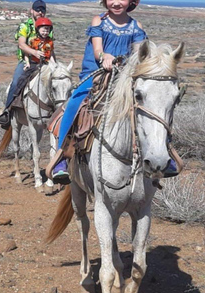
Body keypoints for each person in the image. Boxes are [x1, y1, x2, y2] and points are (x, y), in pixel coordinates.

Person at [51, 0, 146, 184]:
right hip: (95, 74)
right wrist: (105, 57)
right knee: (74, 103)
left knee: (151, 105)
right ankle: (60, 158)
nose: (116, 2)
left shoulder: (136, 26)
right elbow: (97, 50)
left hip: (124, 78)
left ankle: (164, 153)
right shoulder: (99, 21)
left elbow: (138, 55)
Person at [0, 0, 51, 128]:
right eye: (38, 10)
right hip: (27, 61)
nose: (40, 12)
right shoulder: (25, 26)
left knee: (58, 82)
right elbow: (21, 44)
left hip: (45, 61)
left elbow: (50, 45)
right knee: (16, 82)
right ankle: (7, 111)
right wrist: (34, 53)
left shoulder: (47, 26)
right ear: (32, 10)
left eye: (43, 10)